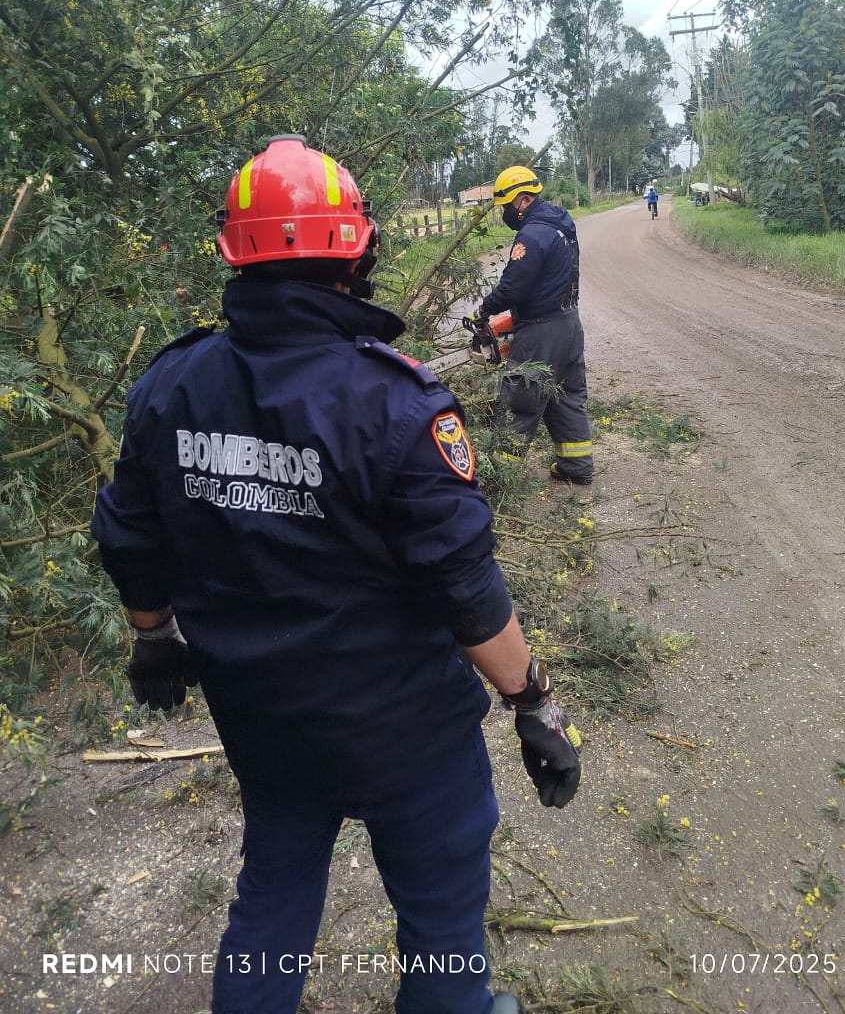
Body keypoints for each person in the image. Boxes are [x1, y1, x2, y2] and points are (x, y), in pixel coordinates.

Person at [91, 135, 582, 1014]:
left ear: (232, 255)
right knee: (438, 917)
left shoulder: (171, 386)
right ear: (356, 250)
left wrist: (152, 636)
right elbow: (466, 589)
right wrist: (533, 702)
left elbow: (128, 532)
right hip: (412, 741)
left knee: (272, 899)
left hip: (267, 725)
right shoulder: (397, 401)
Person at [476, 165, 593, 486]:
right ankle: (576, 465)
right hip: (569, 323)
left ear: (523, 200)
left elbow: (514, 286)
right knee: (567, 397)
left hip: (541, 331)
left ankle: (498, 477)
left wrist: (485, 309)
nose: (505, 214)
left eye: (506, 206)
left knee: (519, 400)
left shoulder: (532, 234)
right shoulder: (561, 224)